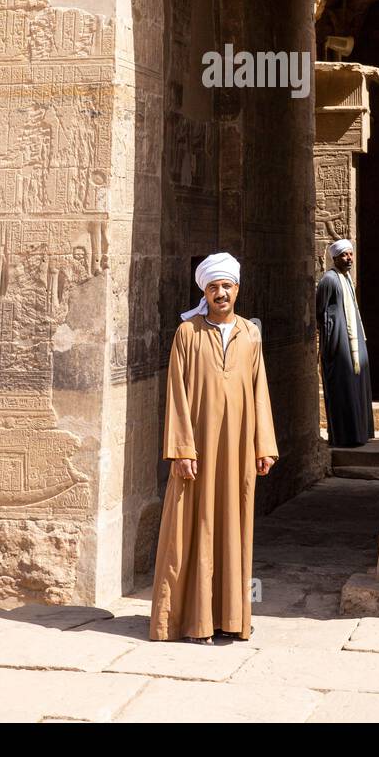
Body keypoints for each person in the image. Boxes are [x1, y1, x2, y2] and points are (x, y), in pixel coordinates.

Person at [150, 253, 278, 644]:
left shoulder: (249, 334)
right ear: (204, 291)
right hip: (197, 452)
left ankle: (232, 618)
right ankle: (192, 620)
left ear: (237, 289)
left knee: (234, 527)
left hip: (239, 449)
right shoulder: (187, 334)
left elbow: (259, 391)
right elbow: (177, 393)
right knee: (193, 526)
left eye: (226, 286)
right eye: (213, 287)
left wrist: (264, 445)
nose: (220, 293)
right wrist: (181, 449)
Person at [316, 239, 374, 448]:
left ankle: (359, 433)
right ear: (335, 257)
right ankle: (345, 436)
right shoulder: (329, 280)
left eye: (350, 254)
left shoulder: (346, 278)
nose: (349, 259)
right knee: (343, 389)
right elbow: (321, 313)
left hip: (353, 342)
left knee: (356, 386)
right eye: (344, 255)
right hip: (339, 344)